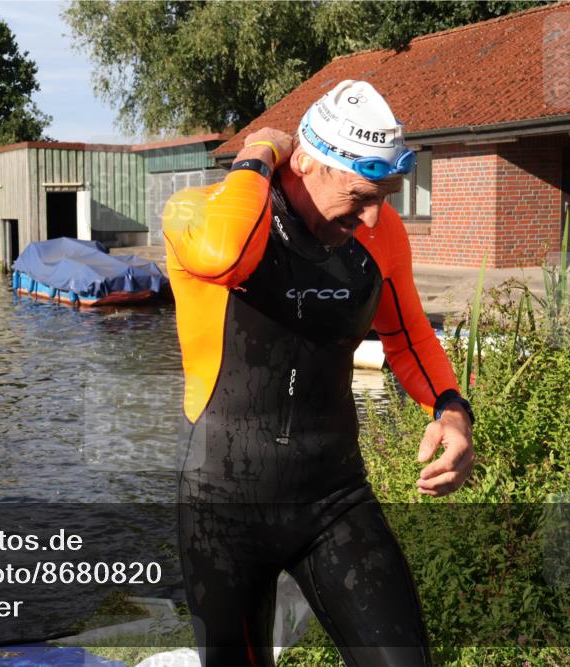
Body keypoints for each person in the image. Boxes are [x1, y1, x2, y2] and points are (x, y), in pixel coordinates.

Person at [163, 80, 474, 666]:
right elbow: (222, 256)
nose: (375, 215)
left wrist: (453, 412)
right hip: (222, 506)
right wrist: (258, 150)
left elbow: (407, 337)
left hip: (334, 499)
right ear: (305, 163)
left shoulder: (379, 232)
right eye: (361, 193)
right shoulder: (197, 211)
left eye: (388, 194)